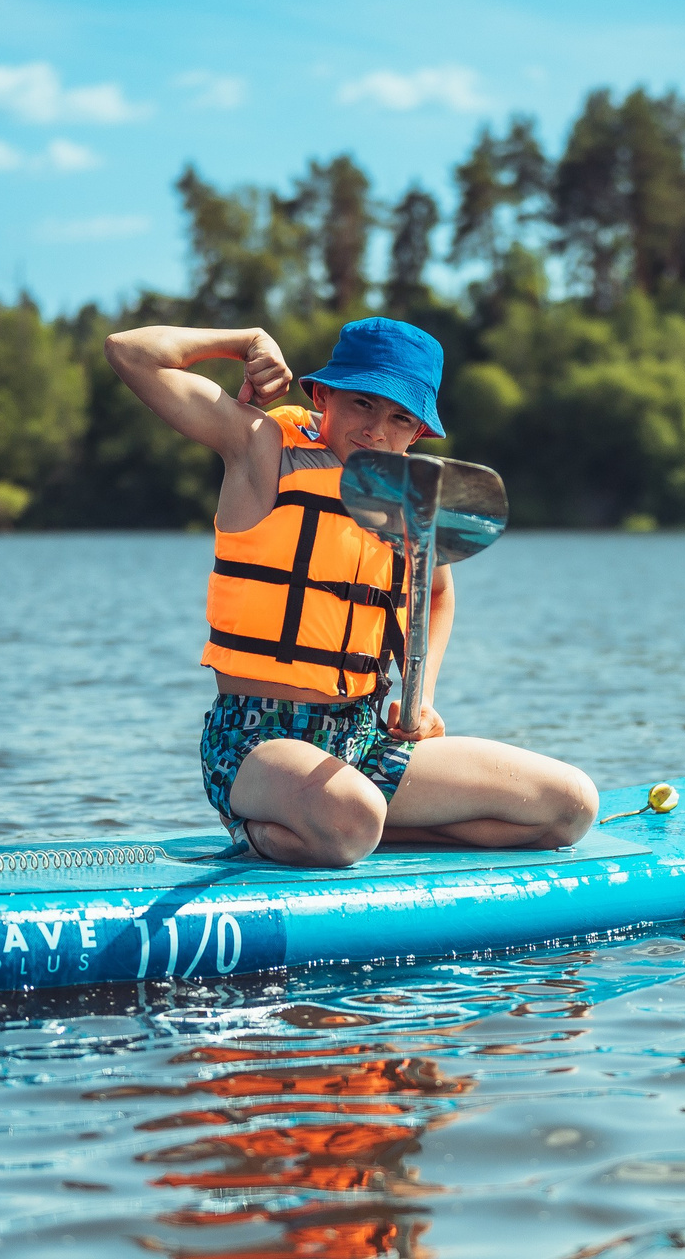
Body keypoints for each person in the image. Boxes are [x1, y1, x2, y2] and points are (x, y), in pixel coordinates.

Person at [104, 316, 599, 868]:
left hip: (362, 743)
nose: (376, 430)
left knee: (570, 807)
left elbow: (435, 595)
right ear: (323, 394)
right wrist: (243, 342)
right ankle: (283, 833)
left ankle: (362, 833)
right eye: (362, 403)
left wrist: (422, 693)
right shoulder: (259, 446)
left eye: (399, 417)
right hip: (255, 742)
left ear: (418, 434)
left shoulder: (411, 499)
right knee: (354, 816)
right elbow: (130, 352)